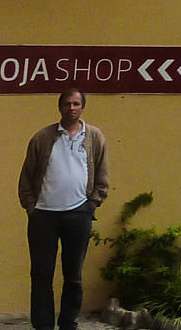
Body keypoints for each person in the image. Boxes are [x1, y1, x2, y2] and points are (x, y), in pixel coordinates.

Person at [18, 88, 109, 330]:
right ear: (60, 107)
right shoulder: (43, 138)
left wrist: (92, 205)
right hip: (43, 216)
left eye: (76, 104)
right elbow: (26, 177)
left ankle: (68, 323)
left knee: (73, 275)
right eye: (67, 104)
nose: (72, 108)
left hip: (78, 214)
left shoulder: (94, 137)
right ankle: (43, 325)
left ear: (82, 107)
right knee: (41, 275)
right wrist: (31, 207)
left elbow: (102, 175)